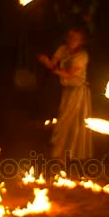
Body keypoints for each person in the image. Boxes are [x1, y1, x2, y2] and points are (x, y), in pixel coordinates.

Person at [38, 28, 93, 164]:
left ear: (81, 41)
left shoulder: (82, 56)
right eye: (69, 37)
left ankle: (69, 156)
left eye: (75, 39)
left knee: (72, 123)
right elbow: (54, 63)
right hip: (67, 91)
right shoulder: (63, 49)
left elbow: (68, 74)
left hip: (78, 92)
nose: (71, 41)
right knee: (63, 121)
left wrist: (49, 66)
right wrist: (47, 61)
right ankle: (60, 155)